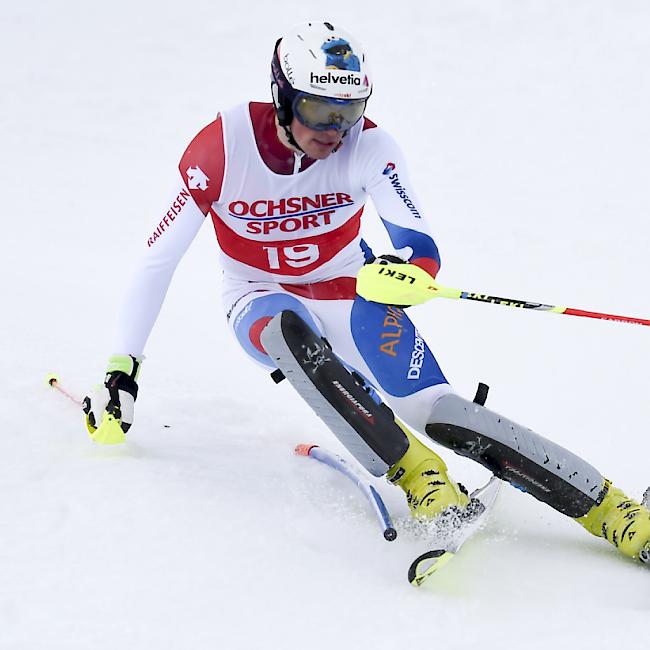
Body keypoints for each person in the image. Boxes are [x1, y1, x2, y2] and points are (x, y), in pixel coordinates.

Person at [83, 21, 650, 566]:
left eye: (349, 112)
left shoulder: (370, 145)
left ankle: (618, 516)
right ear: (282, 96)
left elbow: (417, 240)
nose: (333, 130)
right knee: (289, 335)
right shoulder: (221, 150)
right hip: (257, 292)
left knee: (440, 411)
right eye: (318, 110)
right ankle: (422, 480)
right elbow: (158, 260)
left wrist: (406, 271)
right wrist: (121, 370)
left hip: (352, 289)